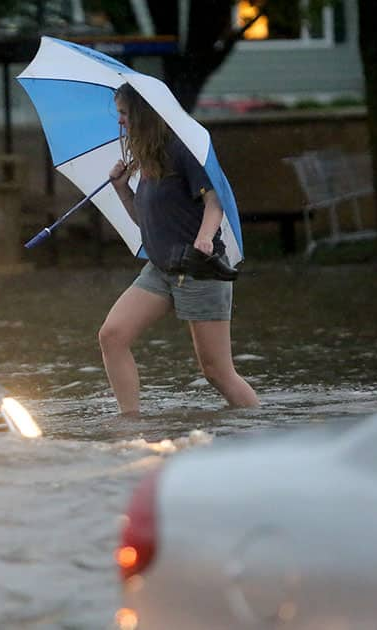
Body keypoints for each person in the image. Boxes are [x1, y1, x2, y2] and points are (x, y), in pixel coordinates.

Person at [99, 83, 259, 415]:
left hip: (198, 267)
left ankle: (258, 429)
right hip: (160, 268)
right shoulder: (146, 160)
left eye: (124, 114)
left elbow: (215, 201)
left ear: (142, 114)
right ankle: (131, 423)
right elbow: (147, 223)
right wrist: (122, 190)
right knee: (112, 336)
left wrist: (204, 237)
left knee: (216, 372)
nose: (120, 122)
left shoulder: (182, 149)